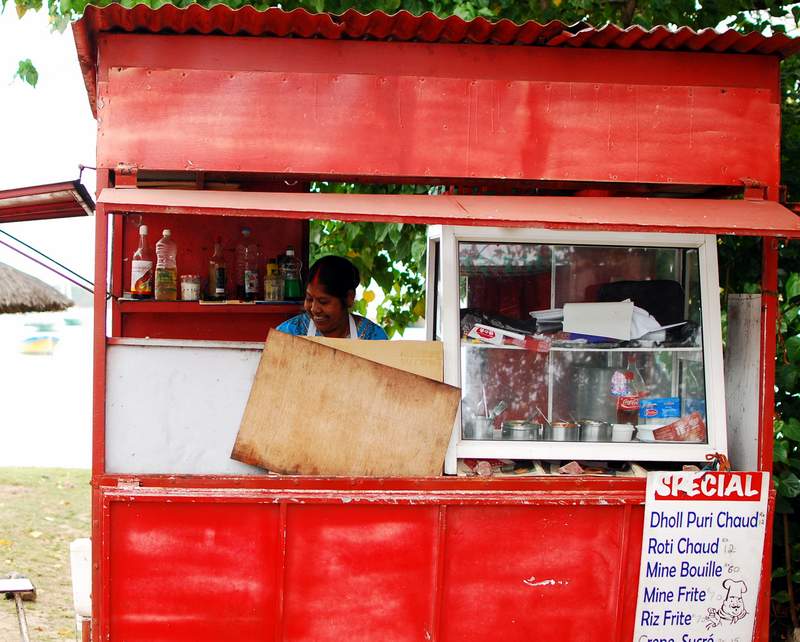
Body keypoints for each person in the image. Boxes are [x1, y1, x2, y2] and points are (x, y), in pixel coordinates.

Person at [276, 255, 388, 340]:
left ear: (349, 298)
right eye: (309, 299)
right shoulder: (288, 334)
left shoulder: (373, 337)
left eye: (323, 302)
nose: (314, 309)